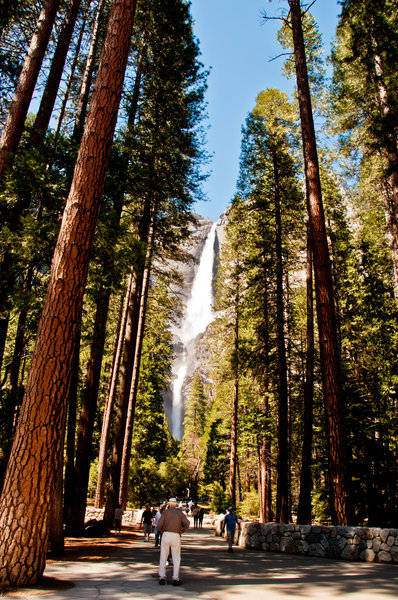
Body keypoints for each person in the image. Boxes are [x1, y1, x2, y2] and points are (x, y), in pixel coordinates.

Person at [158, 497, 190, 586]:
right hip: (176, 535)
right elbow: (187, 523)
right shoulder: (180, 513)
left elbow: (159, 523)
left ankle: (162, 576)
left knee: (163, 556)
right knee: (176, 558)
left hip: (166, 533)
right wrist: (182, 531)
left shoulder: (165, 512)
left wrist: (161, 530)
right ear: (176, 505)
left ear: (169, 505)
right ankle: (175, 578)